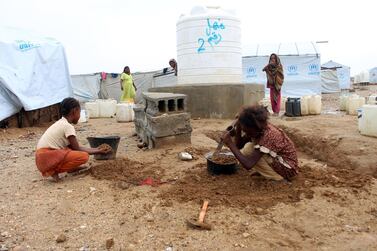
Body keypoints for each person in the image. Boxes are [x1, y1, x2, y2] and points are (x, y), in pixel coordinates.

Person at [35, 98, 109, 181]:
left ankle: (68, 168)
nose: (80, 115)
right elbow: (77, 148)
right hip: (47, 157)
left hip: (40, 159)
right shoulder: (68, 126)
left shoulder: (60, 123)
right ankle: (54, 171)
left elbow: (73, 147)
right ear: (74, 111)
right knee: (84, 156)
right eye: (79, 112)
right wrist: (98, 151)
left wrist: (96, 149)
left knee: (69, 149)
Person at [221, 105, 298, 181]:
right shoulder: (257, 129)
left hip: (289, 170)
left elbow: (248, 164)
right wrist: (238, 127)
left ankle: (277, 178)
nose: (246, 133)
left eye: (246, 130)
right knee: (248, 147)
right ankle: (268, 172)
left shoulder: (268, 136)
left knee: (248, 150)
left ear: (253, 127)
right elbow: (239, 146)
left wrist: (230, 143)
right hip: (279, 160)